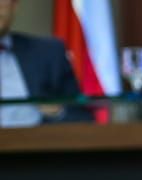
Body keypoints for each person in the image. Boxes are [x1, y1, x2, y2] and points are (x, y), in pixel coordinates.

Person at [0, 0, 82, 128]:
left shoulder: (49, 52)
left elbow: (82, 118)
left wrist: (57, 112)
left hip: (37, 138)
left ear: (14, 5)